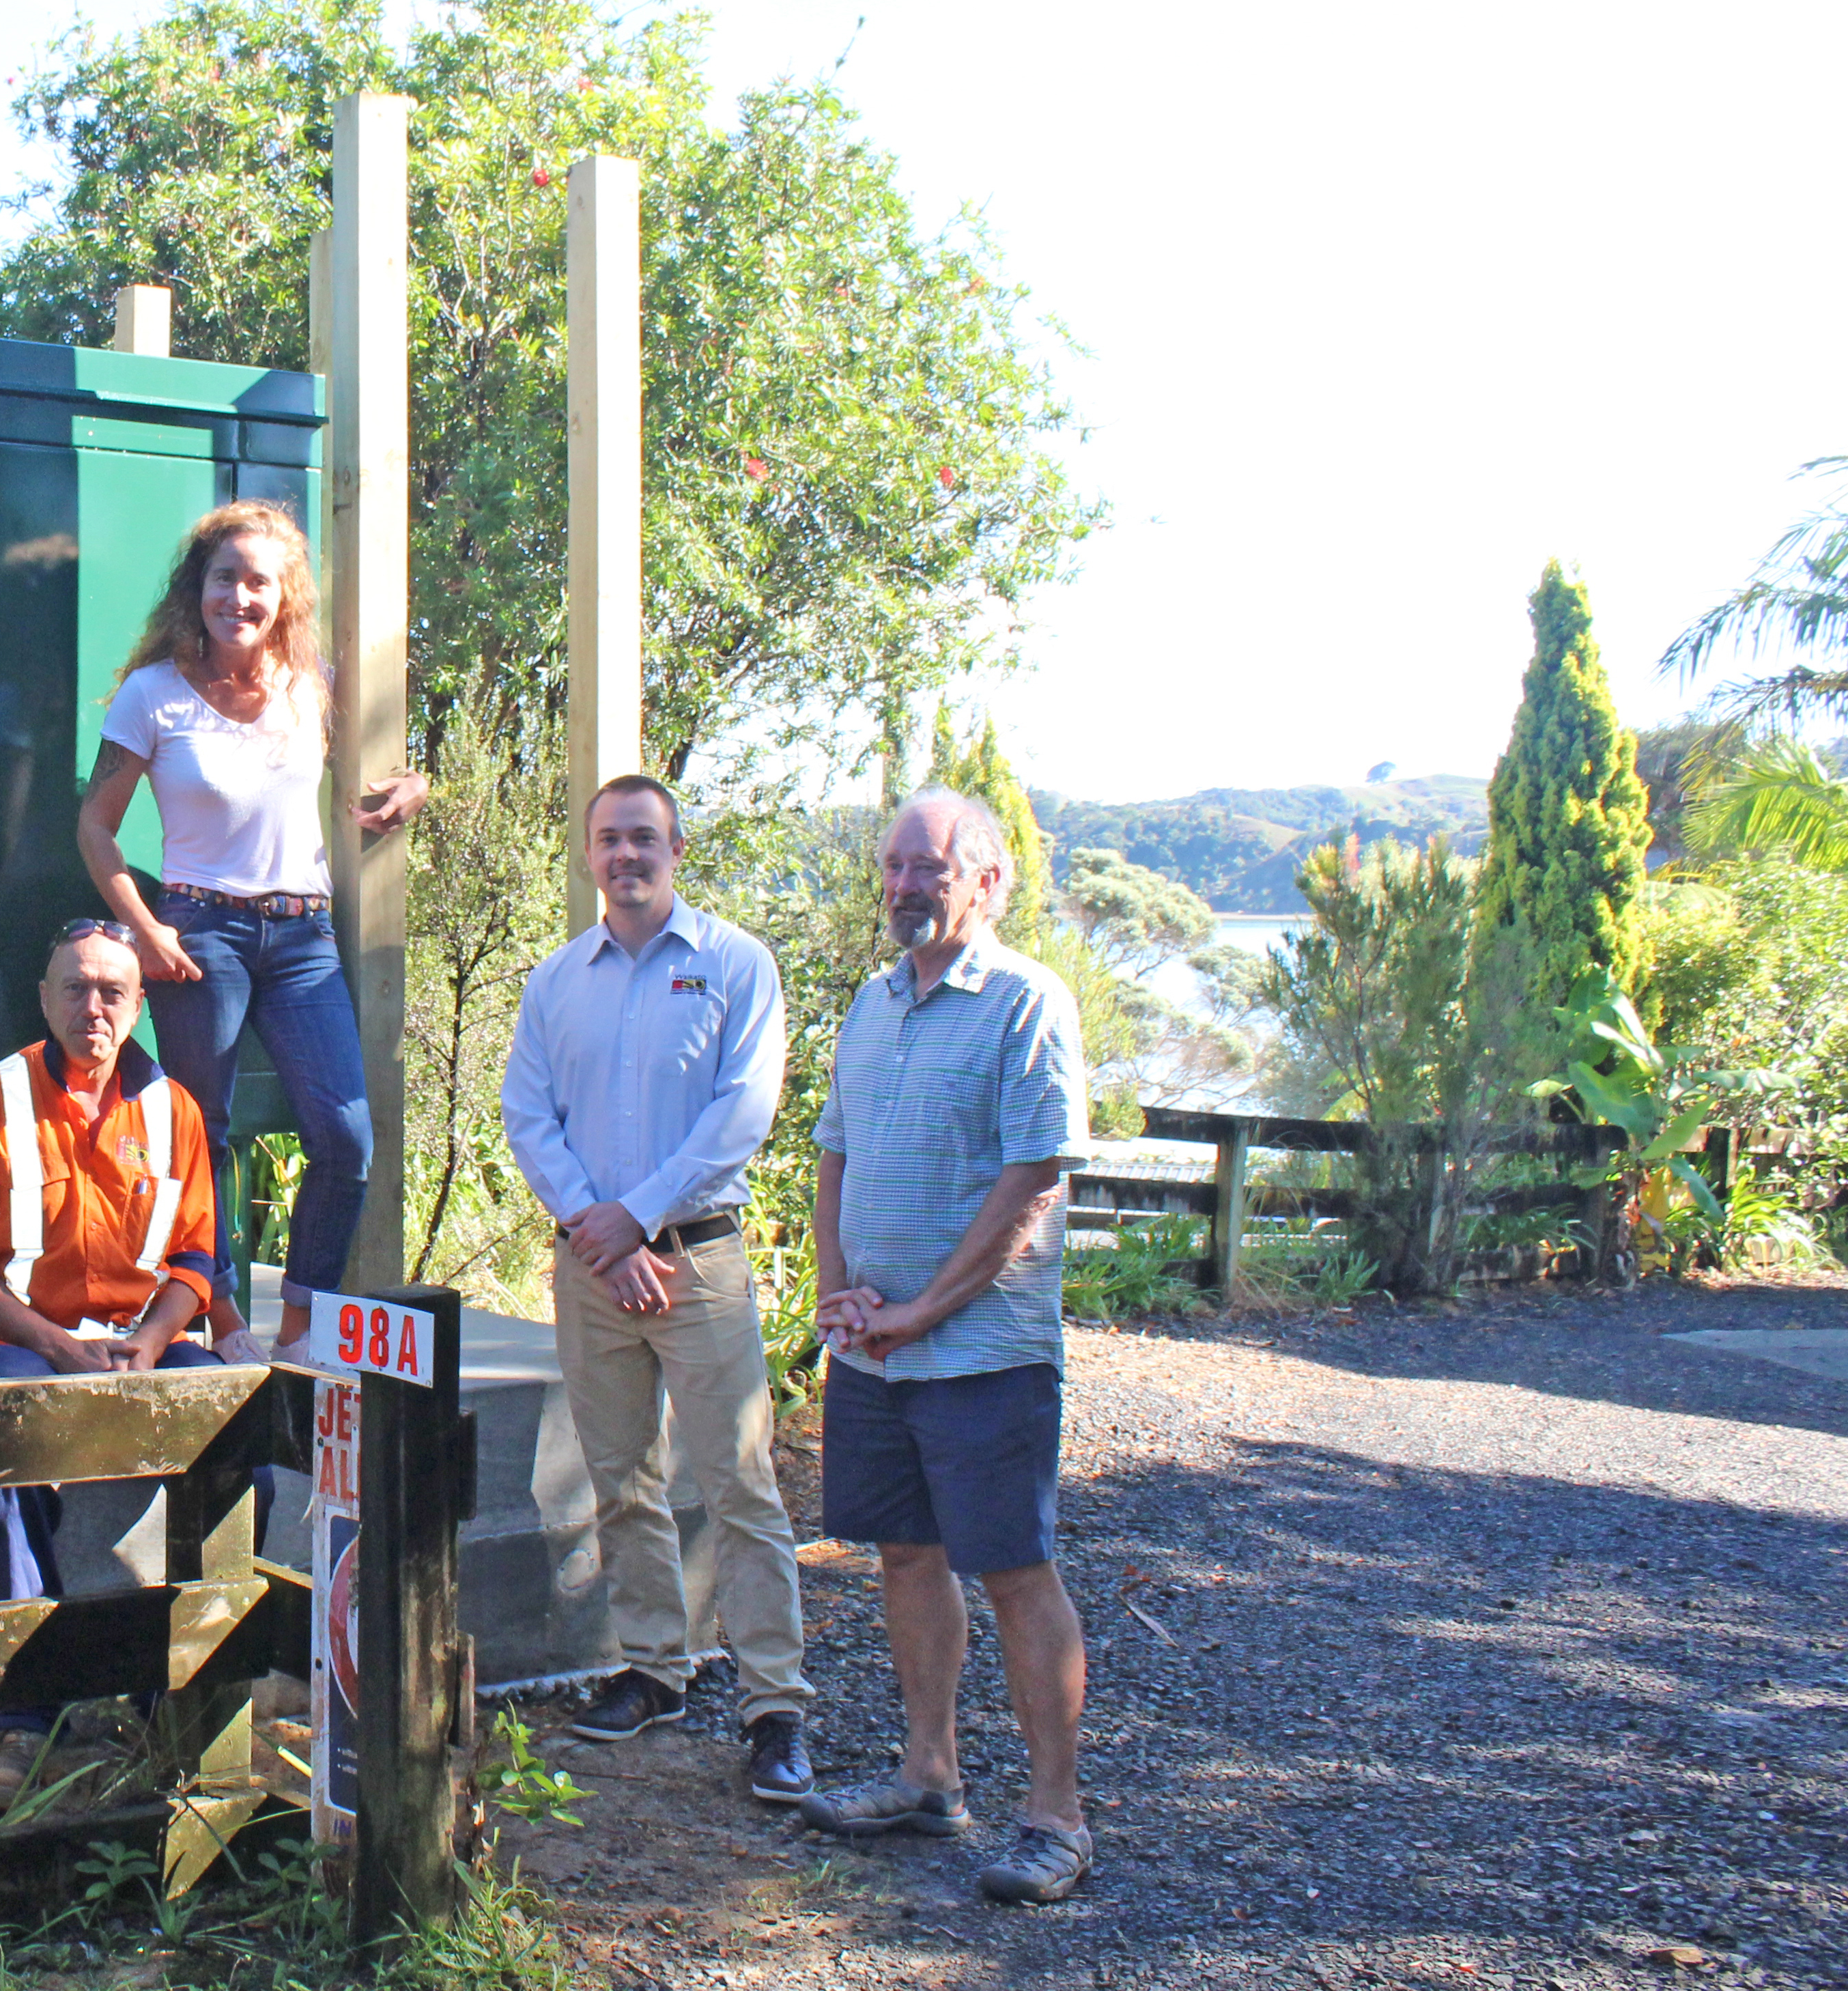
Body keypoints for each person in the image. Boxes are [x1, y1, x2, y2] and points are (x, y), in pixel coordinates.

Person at [797, 787, 1097, 1906]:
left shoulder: (1027, 1002)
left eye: (928, 866)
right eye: (893, 866)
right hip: (873, 1352)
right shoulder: (872, 1005)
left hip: (983, 1356)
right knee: (905, 1556)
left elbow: (1034, 1180)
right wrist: (835, 1291)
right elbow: (832, 1153)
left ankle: (1056, 1817)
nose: (904, 885)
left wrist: (922, 1310)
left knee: (1014, 1571)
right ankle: (929, 1776)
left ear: (987, 881)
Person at [500, 774, 814, 1804]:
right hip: (593, 1267)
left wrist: (636, 1216)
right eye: (609, 839)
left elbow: (743, 1111)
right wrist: (602, 1228)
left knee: (738, 1483)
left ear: (677, 849)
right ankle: (652, 1670)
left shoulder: (735, 965)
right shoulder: (557, 982)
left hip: (698, 1262)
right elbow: (528, 1115)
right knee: (620, 1475)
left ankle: (774, 1707)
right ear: (589, 854)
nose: (626, 855)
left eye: (644, 837)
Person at [79, 500, 427, 1354]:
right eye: (224, 578)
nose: (239, 596)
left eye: (258, 582)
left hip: (305, 939)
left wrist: (418, 782)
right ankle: (223, 1315)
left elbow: (388, 763)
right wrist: (145, 931)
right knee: (203, 1134)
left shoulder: (315, 685)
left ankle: (300, 1325)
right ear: (196, 587)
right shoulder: (153, 694)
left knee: (345, 1136)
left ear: (285, 596)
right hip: (201, 936)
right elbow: (95, 828)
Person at [0, 918, 230, 1812]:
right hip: (23, 1340)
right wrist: (58, 1348)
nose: (93, 1007)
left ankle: (177, 1690)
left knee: (238, 1433)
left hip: (140, 1343)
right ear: (44, 998)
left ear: (137, 1007)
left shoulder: (174, 1111)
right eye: (75, 987)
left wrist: (152, 1341)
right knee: (2, 1436)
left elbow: (197, 1261)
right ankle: (24, 1717)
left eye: (112, 992)